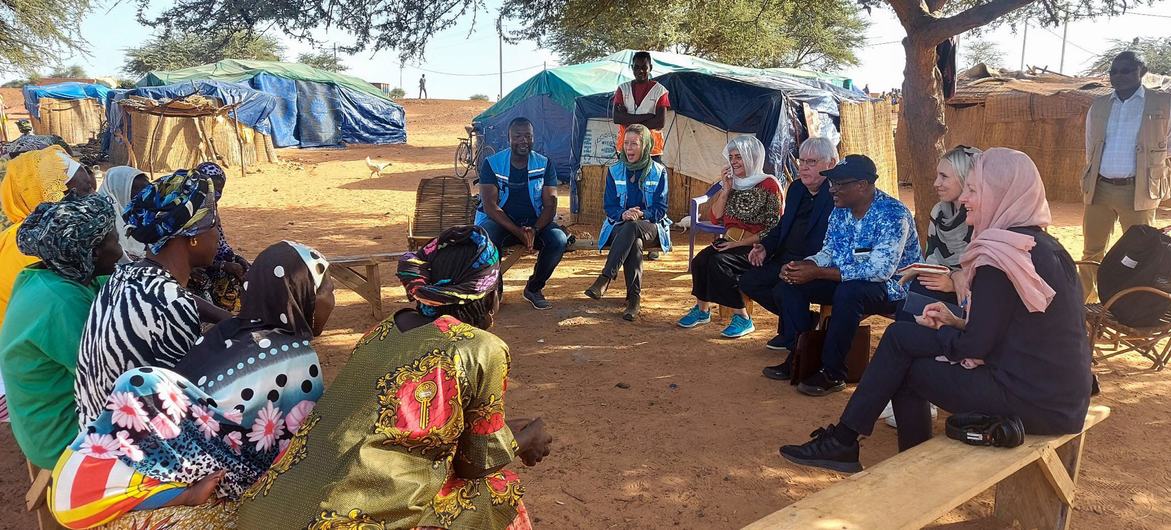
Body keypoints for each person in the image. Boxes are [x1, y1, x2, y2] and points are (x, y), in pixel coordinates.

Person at [779, 148, 1093, 472]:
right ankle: (857, 446)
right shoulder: (1042, 246)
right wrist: (954, 321)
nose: (966, 199)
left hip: (1034, 401)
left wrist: (942, 332)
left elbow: (976, 346)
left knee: (903, 358)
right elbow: (1012, 329)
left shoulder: (1001, 258)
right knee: (901, 341)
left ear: (1001, 194)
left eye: (975, 190)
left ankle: (875, 453)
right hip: (1059, 396)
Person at [234, 226, 552, 530]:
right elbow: (476, 463)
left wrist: (502, 431)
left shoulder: (385, 329)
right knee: (497, 491)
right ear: (490, 293)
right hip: (342, 521)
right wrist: (526, 440)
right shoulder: (483, 348)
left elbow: (402, 426)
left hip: (266, 511)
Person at [50, 241, 337, 529]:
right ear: (303, 295)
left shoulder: (229, 330)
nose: (332, 299)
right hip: (222, 475)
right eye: (328, 290)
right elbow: (298, 450)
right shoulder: (297, 357)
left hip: (165, 457)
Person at [74, 170, 224, 426]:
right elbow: (192, 402)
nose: (218, 237)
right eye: (213, 227)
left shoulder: (124, 275)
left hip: (94, 430)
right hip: (129, 449)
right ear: (193, 239)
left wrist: (230, 320)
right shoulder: (173, 306)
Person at [770, 154, 920, 397]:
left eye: (839, 184)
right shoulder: (841, 210)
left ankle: (833, 372)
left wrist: (818, 272)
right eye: (832, 183)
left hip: (893, 287)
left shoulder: (893, 214)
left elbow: (880, 271)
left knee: (850, 293)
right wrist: (805, 265)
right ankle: (800, 357)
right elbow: (830, 251)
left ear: (862, 185)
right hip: (848, 279)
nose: (832, 190)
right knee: (791, 284)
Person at [0, 194, 121, 469]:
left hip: (41, 420)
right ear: (92, 253)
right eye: (114, 240)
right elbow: (108, 382)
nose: (120, 249)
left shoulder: (51, 274)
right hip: (59, 439)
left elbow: (119, 283)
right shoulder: (61, 303)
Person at [1081, 51, 1171, 299]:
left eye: (1126, 70)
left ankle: (1129, 308)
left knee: (1140, 254)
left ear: (1141, 72)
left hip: (1139, 191)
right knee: (1091, 252)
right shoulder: (1099, 105)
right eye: (1114, 72)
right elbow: (1091, 147)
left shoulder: (1163, 103)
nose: (1118, 76)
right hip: (1100, 188)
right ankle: (1084, 308)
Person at [676, 135, 782, 338]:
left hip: (756, 247)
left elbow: (772, 228)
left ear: (752, 157)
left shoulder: (769, 184)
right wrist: (725, 190)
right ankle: (702, 310)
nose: (734, 162)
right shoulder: (734, 183)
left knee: (719, 263)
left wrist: (739, 244)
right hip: (730, 241)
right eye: (731, 157)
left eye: (739, 157)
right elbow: (716, 218)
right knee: (700, 261)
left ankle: (742, 317)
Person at [740, 137, 837, 351]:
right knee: (749, 281)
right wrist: (765, 246)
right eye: (801, 161)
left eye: (811, 162)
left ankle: (796, 342)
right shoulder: (796, 189)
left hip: (815, 265)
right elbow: (783, 225)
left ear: (830, 164)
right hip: (785, 256)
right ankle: (803, 321)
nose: (803, 167)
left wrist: (810, 266)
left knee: (785, 288)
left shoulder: (837, 195)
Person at [476, 117, 567, 310]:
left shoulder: (544, 164)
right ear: (508, 138)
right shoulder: (492, 164)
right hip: (501, 222)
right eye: (518, 136)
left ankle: (534, 288)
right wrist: (518, 232)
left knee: (558, 239)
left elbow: (550, 205)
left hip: (534, 223)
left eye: (528, 136)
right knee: (487, 238)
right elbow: (490, 207)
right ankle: (494, 291)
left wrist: (534, 229)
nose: (523, 140)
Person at [585, 124, 671, 321]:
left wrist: (639, 214)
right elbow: (610, 206)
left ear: (646, 146)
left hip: (650, 225)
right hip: (619, 226)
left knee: (634, 229)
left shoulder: (659, 172)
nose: (629, 148)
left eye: (635, 143)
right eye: (626, 143)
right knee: (635, 241)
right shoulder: (615, 171)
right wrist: (623, 214)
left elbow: (660, 210)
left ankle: (605, 278)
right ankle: (634, 301)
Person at [897, 145, 982, 310]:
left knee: (922, 298)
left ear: (965, 178)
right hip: (946, 282)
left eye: (944, 176)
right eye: (937, 175)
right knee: (915, 292)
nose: (936, 183)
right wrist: (953, 275)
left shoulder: (982, 218)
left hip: (975, 295)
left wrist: (954, 281)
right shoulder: (939, 212)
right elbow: (932, 261)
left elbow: (988, 274)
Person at [187, 163, 250, 313]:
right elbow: (188, 254)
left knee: (246, 273)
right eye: (212, 188)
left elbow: (220, 246)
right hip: (190, 269)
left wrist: (235, 259)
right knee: (204, 286)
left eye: (219, 190)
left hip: (208, 262)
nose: (216, 194)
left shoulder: (211, 210)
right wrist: (223, 265)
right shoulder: (187, 213)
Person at [614, 51, 670, 163]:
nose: (640, 71)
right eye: (637, 67)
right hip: (626, 148)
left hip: (651, 149)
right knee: (624, 180)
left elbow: (659, 122)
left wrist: (628, 118)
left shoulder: (660, 91)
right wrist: (647, 116)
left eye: (644, 67)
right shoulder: (622, 89)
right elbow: (617, 118)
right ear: (632, 68)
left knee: (650, 179)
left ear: (650, 68)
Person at [97, 165, 151, 262]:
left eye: (147, 188)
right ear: (119, 190)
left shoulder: (146, 215)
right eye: (138, 189)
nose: (145, 194)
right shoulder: (103, 223)